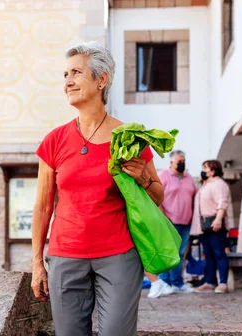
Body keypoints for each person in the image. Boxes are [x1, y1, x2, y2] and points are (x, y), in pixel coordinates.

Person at [30, 42, 165, 336]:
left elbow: (157, 196)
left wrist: (143, 176)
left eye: (76, 72)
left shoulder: (129, 138)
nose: (68, 81)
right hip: (65, 256)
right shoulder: (54, 141)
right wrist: (37, 263)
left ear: (101, 80)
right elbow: (42, 207)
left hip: (119, 256)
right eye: (65, 74)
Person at [156, 150, 197, 294]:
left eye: (184, 161)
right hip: (169, 221)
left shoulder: (189, 178)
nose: (182, 163)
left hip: (185, 222)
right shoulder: (163, 175)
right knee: (167, 253)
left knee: (180, 254)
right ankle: (164, 283)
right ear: (171, 162)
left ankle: (177, 283)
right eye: (179, 161)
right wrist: (162, 216)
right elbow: (155, 196)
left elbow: (194, 197)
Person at [191, 160, 232, 294]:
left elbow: (222, 202)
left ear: (213, 170)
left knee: (219, 253)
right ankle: (210, 281)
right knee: (208, 254)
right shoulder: (205, 185)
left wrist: (219, 219)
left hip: (214, 224)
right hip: (204, 226)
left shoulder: (219, 184)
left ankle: (223, 283)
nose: (203, 170)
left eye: (205, 168)